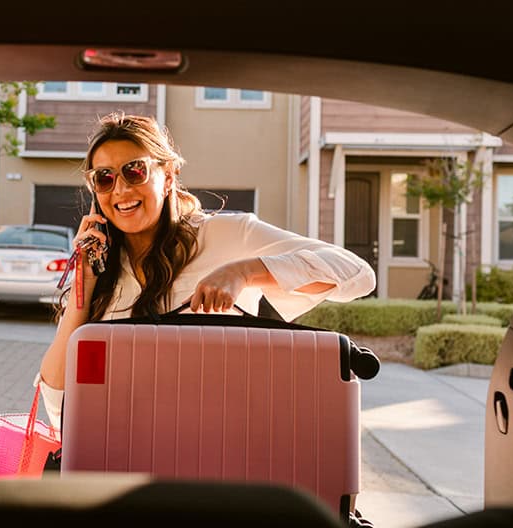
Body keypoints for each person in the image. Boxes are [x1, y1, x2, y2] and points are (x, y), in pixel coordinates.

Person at [35, 112, 376, 429]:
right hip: (121, 453)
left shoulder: (226, 235)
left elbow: (357, 275)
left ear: (168, 175)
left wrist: (244, 272)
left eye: (134, 170)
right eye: (104, 178)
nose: (120, 189)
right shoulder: (102, 271)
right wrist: (87, 279)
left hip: (215, 452)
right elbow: (57, 403)